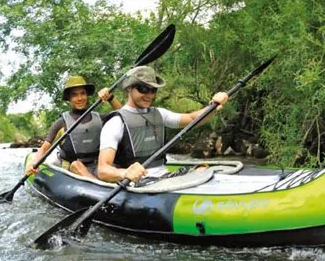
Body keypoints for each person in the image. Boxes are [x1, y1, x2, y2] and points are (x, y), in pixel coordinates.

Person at [97, 66, 228, 183]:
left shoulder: (160, 114)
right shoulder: (115, 122)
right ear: (129, 88)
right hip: (137, 183)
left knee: (201, 169)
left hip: (164, 177)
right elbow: (103, 170)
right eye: (143, 89)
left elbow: (192, 118)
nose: (149, 95)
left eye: (153, 90)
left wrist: (213, 106)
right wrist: (124, 173)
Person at [25, 75, 123, 178]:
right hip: (74, 170)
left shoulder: (100, 118)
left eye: (82, 93)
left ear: (87, 95)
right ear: (69, 98)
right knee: (76, 165)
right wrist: (33, 163)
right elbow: (44, 149)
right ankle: (96, 184)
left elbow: (122, 115)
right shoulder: (61, 123)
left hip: (98, 166)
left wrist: (111, 98)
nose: (80, 98)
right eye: (75, 95)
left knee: (110, 168)